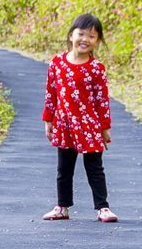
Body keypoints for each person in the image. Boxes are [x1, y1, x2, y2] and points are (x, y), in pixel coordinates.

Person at [42, 13, 118, 223]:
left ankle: (102, 208)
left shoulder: (96, 69)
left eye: (92, 36)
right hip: (64, 123)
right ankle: (62, 207)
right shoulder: (57, 63)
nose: (85, 39)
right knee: (64, 169)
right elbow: (51, 93)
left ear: (98, 41)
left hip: (89, 125)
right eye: (81, 34)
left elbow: (102, 100)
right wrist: (48, 120)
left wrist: (104, 127)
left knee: (95, 168)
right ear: (71, 35)